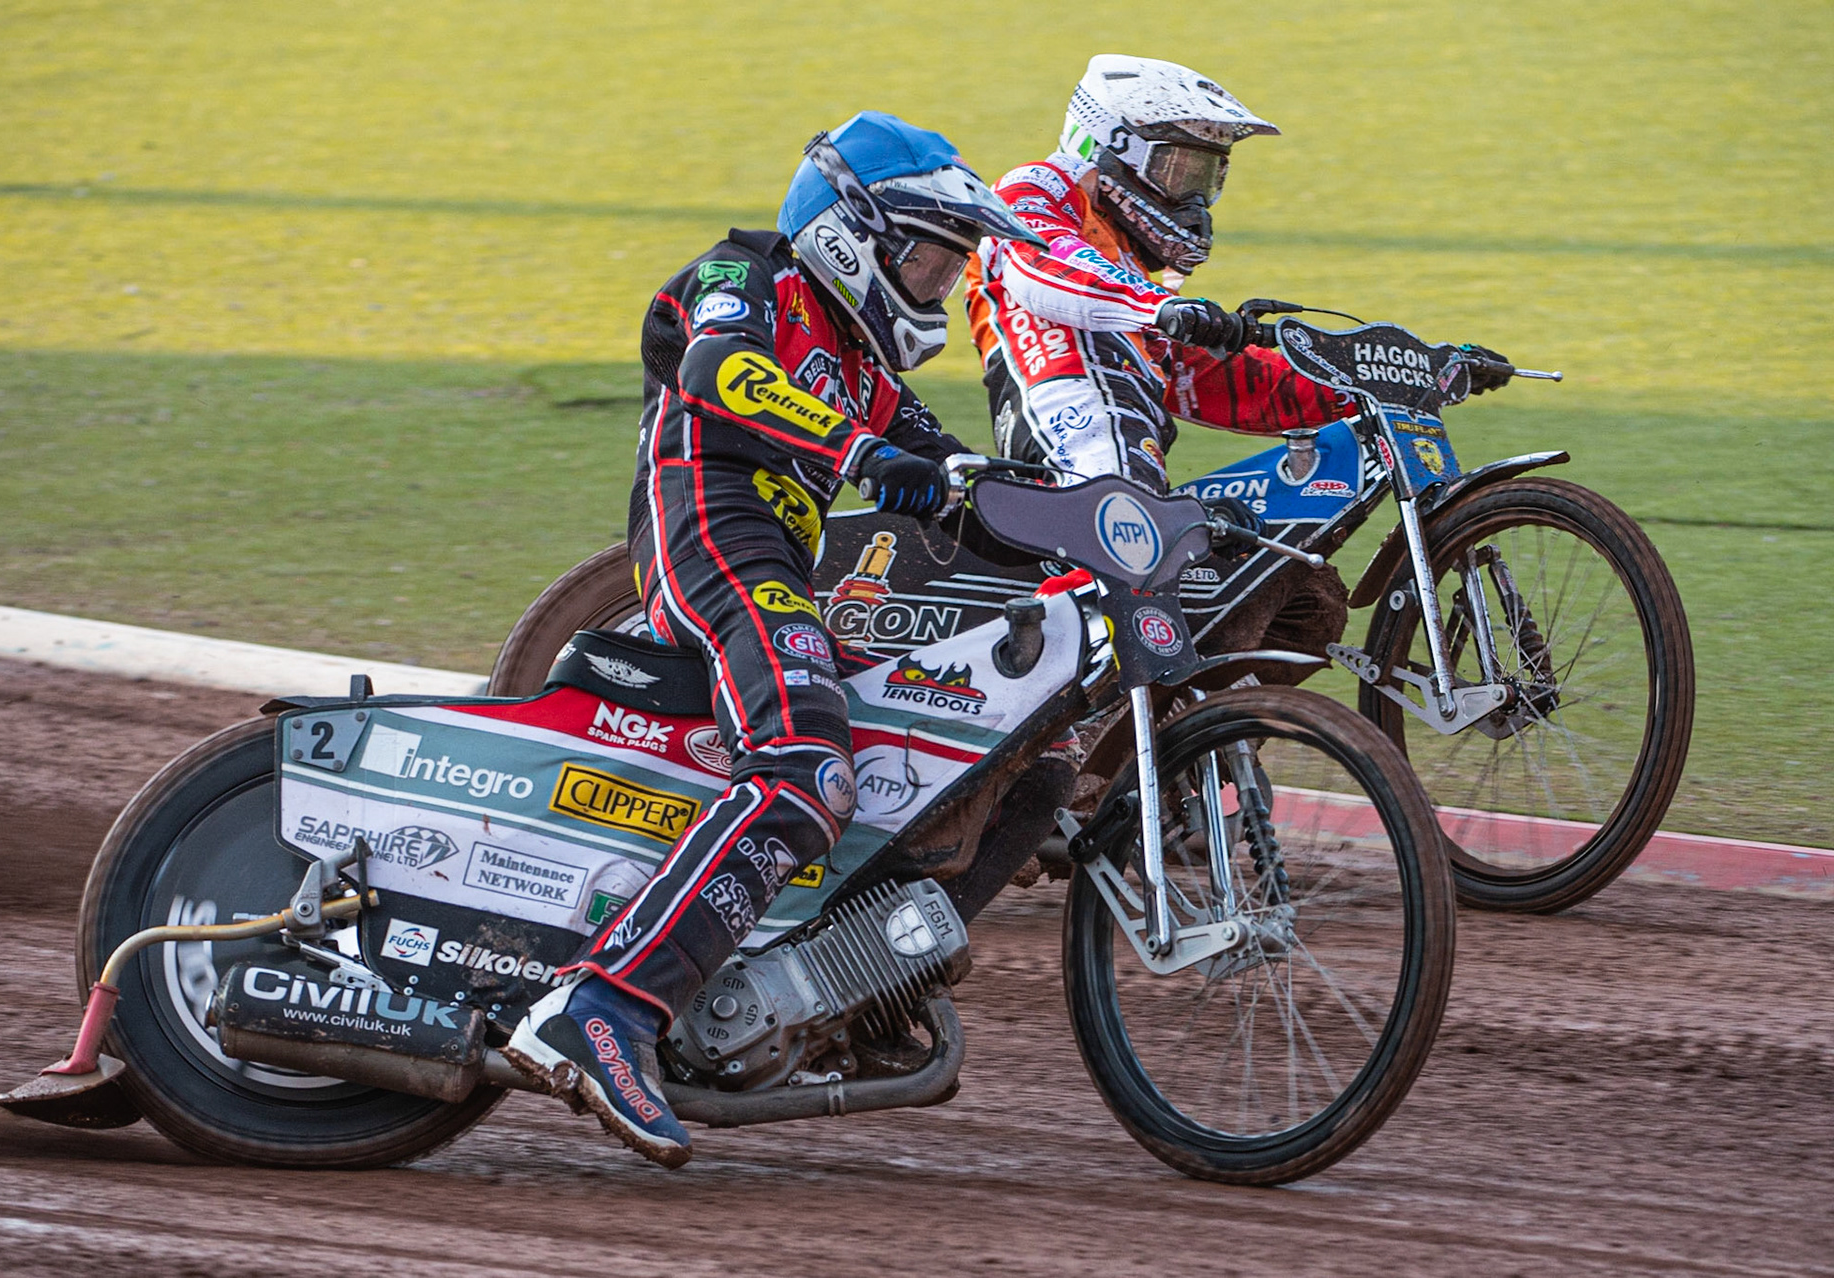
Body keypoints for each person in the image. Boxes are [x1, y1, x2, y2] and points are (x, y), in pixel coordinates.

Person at [504, 111, 1044, 1168]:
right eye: (929, 255)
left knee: (1027, 766)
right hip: (710, 523)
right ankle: (600, 1006)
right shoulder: (746, 275)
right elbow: (718, 374)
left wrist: (1081, 519)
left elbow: (967, 482)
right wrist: (863, 450)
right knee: (805, 762)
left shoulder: (866, 365)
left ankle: (846, 985)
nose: (940, 284)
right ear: (853, 233)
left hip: (789, 566)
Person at [963, 54, 1509, 669]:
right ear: (1109, 145)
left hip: (1130, 432)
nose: (1195, 195)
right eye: (1179, 168)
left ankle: (1202, 744)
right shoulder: (1036, 190)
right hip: (1066, 419)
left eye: (1209, 174)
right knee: (1122, 557)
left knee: (1307, 597)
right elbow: (1045, 268)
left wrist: (1374, 383)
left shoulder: (1135, 278)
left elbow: (1219, 381)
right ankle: (1061, 715)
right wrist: (1162, 308)